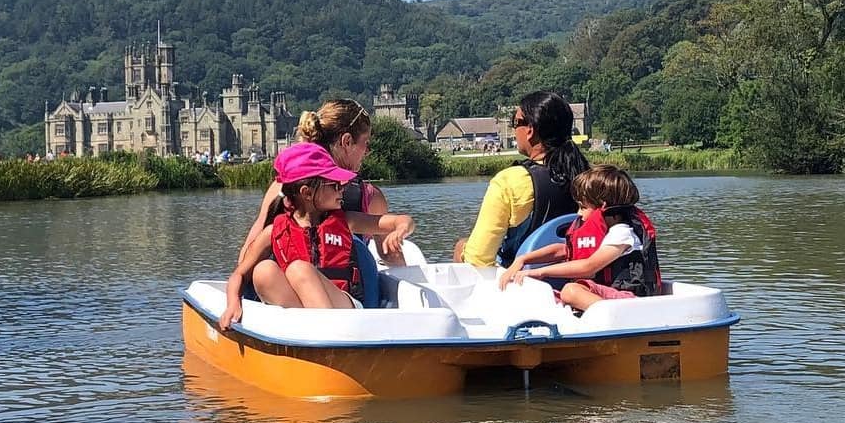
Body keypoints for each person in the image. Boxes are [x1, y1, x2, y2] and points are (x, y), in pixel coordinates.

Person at [220, 143, 415, 331]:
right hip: (305, 318)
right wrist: (232, 303)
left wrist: (401, 230)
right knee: (263, 271)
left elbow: (401, 220)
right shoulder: (273, 232)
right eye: (335, 184)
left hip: (345, 309)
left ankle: (330, 339)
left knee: (299, 269)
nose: (342, 189)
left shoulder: (346, 221)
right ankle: (313, 339)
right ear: (307, 192)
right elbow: (239, 274)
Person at [239, 100, 400, 260]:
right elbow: (394, 261)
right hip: (340, 284)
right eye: (366, 143)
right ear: (347, 141)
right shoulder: (372, 198)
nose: (368, 151)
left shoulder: (284, 188)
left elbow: (246, 256)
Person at [499, 164, 663, 311]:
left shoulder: (622, 234)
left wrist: (540, 272)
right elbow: (564, 249)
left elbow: (589, 267)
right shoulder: (603, 232)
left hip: (628, 301)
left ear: (603, 206)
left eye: (583, 207)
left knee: (571, 291)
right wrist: (523, 260)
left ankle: (615, 320)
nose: (578, 213)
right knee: (546, 296)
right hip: (605, 295)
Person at [453, 90, 590, 267]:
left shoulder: (511, 181)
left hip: (524, 283)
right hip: (576, 277)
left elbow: (478, 259)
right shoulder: (589, 176)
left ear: (530, 130)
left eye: (515, 123)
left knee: (461, 248)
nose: (513, 128)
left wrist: (463, 250)